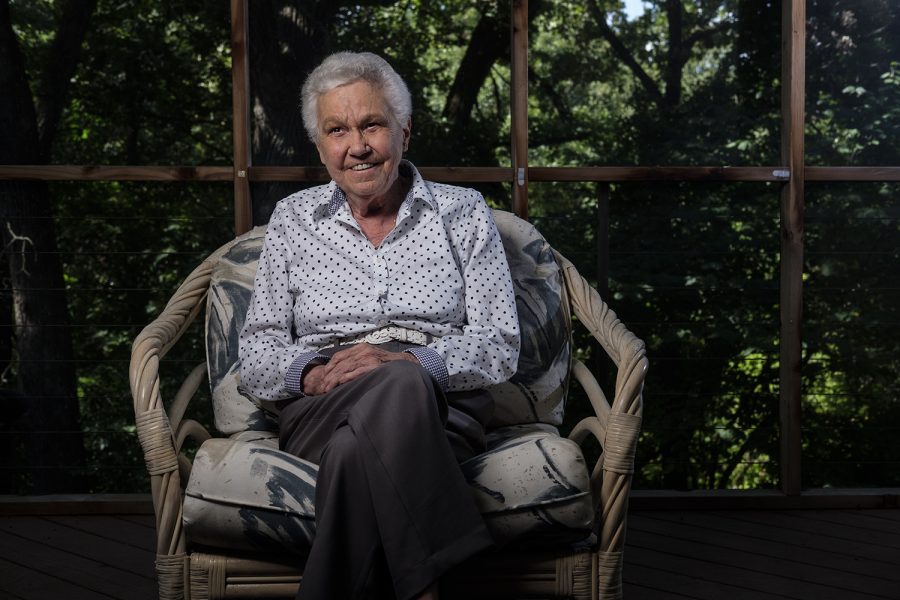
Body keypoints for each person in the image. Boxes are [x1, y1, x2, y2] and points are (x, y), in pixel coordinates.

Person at [238, 51, 520, 600]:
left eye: (372, 124)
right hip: (323, 404)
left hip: (442, 411)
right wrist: (314, 376)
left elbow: (501, 343)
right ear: (320, 147)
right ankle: (435, 580)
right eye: (336, 130)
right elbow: (256, 352)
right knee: (392, 386)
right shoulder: (293, 220)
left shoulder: (463, 212)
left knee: (370, 428)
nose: (357, 145)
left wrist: (411, 363)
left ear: (404, 131)